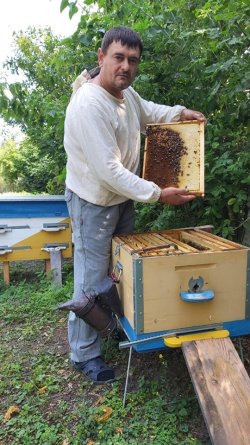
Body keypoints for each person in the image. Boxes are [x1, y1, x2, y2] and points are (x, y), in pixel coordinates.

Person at [63, 26, 206, 384]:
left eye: (133, 60)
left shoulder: (127, 95)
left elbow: (149, 112)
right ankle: (84, 354)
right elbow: (108, 171)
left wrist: (180, 113)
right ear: (101, 57)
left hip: (122, 198)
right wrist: (160, 193)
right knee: (90, 277)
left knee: (119, 271)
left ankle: (110, 326)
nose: (126, 66)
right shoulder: (89, 104)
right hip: (93, 202)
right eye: (118, 58)